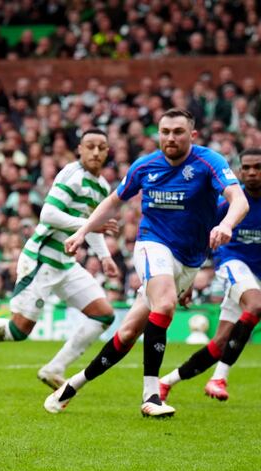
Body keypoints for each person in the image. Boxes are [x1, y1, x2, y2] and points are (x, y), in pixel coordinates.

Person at [44, 108, 248, 418]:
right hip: (152, 244)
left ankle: (71, 385)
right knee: (164, 306)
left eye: (178, 131)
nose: (170, 137)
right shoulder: (145, 165)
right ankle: (151, 395)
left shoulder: (209, 162)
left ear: (192, 135)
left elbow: (239, 199)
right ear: (158, 134)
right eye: (165, 131)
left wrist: (227, 224)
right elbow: (113, 201)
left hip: (188, 261)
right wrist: (83, 230)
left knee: (127, 334)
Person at [0, 129, 120, 388]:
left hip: (65, 264)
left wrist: (104, 255)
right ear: (80, 149)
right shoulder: (72, 175)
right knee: (18, 330)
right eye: (90, 146)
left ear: (108, 151)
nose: (96, 152)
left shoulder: (101, 186)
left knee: (104, 315)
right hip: (41, 260)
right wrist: (90, 224)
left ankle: (54, 369)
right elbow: (49, 215)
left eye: (101, 147)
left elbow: (91, 227)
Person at [159, 149, 261, 401]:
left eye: (257, 167)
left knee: (220, 343)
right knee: (256, 305)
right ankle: (219, 378)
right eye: (246, 167)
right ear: (239, 172)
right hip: (232, 264)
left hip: (254, 277)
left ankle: (166, 382)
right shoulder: (228, 204)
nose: (251, 172)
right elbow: (201, 239)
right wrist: (191, 279)